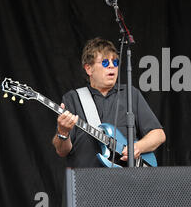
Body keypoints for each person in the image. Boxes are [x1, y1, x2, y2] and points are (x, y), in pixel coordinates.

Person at [52, 37, 166, 168]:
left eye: (115, 62)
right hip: (86, 182)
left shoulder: (130, 94)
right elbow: (62, 151)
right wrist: (63, 133)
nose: (112, 66)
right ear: (89, 69)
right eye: (105, 62)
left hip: (126, 181)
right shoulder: (73, 98)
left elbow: (158, 134)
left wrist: (137, 147)